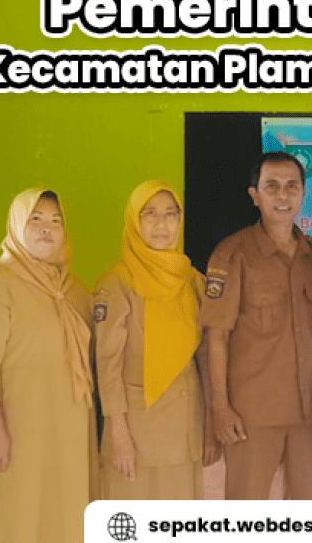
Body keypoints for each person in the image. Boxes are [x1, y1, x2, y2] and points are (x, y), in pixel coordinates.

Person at [0, 189, 95, 542]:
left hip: (67, 427)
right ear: (17, 225)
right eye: (35, 220)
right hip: (16, 426)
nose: (46, 229)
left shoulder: (75, 292)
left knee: (62, 508)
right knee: (15, 510)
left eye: (55, 221)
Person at [201, 152, 312, 500]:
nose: (282, 196)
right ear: (255, 195)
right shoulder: (233, 254)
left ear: (302, 194)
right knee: (246, 512)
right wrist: (220, 408)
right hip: (251, 414)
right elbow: (216, 338)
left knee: (307, 513)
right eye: (271, 187)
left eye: (291, 187)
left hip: (306, 412)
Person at [94, 181, 219, 499]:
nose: (161, 223)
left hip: (185, 429)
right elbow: (108, 366)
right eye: (149, 214)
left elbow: (205, 358)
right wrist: (118, 434)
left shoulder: (192, 280)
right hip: (137, 433)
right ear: (134, 221)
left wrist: (209, 425)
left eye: (170, 214)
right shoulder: (117, 283)